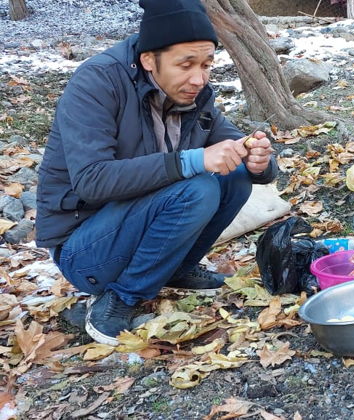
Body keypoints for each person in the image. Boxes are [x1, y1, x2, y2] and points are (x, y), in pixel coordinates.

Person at [36, 0, 278, 346]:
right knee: (199, 188)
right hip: (85, 249)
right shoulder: (97, 82)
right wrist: (193, 160)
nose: (199, 78)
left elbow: (232, 143)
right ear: (149, 59)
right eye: (186, 65)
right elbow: (92, 180)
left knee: (235, 174)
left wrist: (259, 160)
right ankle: (121, 297)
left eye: (207, 64)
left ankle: (176, 269)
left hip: (138, 222)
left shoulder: (194, 92)